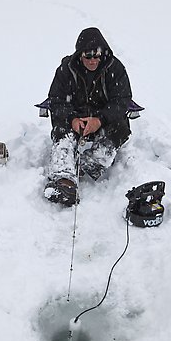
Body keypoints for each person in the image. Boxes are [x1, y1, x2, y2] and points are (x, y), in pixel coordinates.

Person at [44, 27, 133, 207]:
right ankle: (64, 180)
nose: (93, 60)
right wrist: (72, 119)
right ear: (80, 55)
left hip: (102, 118)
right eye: (88, 56)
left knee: (120, 129)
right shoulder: (66, 69)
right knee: (62, 131)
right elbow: (56, 100)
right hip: (75, 117)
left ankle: (89, 163)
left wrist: (100, 119)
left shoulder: (115, 68)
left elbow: (122, 100)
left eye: (97, 56)